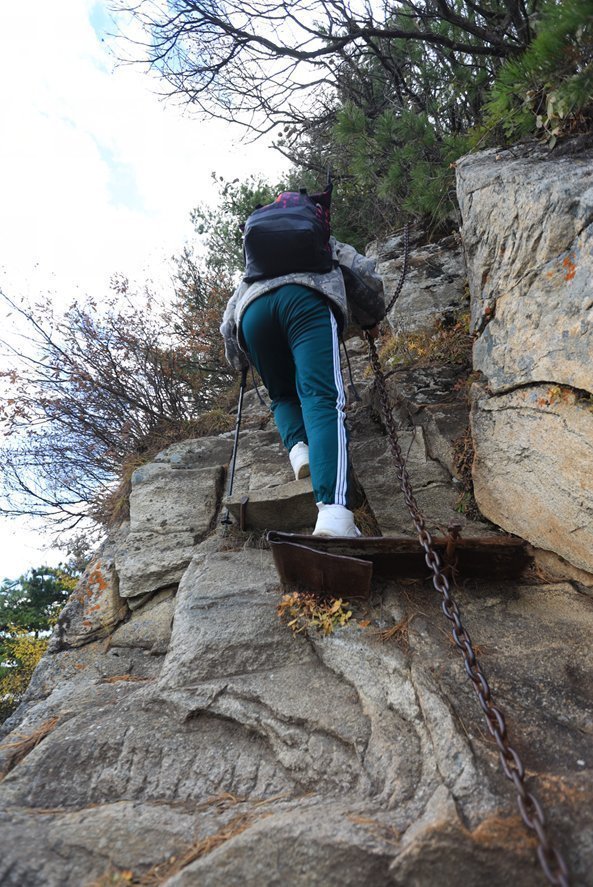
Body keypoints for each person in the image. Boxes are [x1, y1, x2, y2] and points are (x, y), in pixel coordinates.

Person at [220, 236, 385, 537]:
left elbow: (230, 316)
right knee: (320, 398)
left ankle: (301, 451)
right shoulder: (319, 236)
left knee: (282, 394)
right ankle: (334, 513)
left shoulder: (257, 260)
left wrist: (238, 359)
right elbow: (361, 272)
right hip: (306, 300)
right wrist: (372, 318)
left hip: (254, 316)